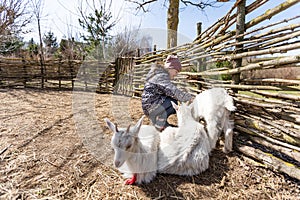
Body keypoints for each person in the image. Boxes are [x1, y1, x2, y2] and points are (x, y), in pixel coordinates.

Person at [141, 55, 193, 132]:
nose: (176, 74)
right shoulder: (161, 76)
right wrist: (189, 97)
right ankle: (160, 123)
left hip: (150, 104)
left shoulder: (159, 74)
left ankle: (160, 122)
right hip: (151, 106)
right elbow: (172, 91)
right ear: (170, 68)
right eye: (176, 71)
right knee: (173, 102)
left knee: (172, 100)